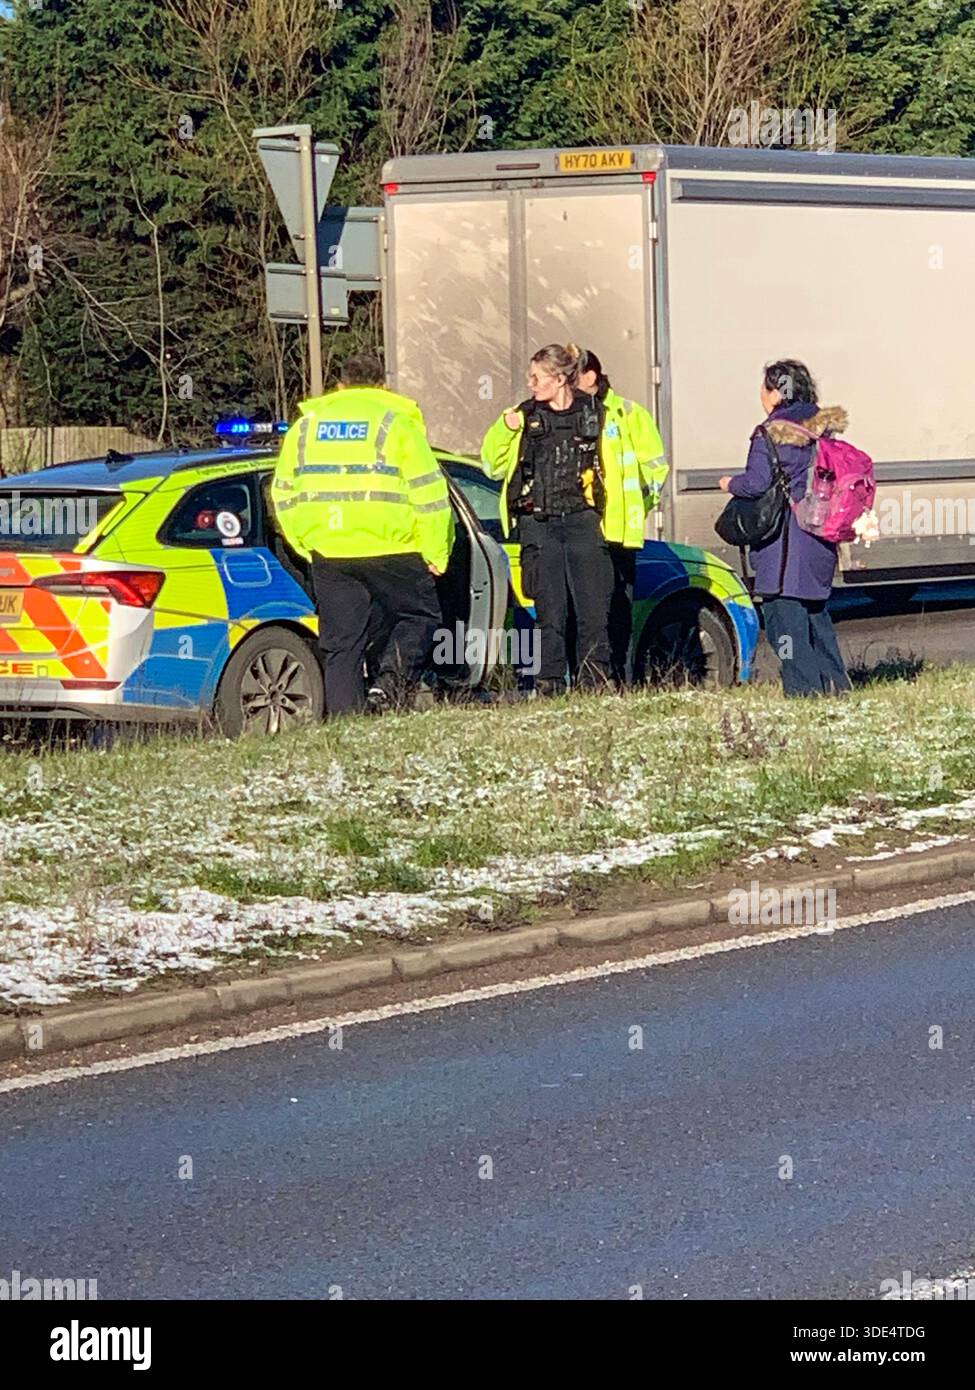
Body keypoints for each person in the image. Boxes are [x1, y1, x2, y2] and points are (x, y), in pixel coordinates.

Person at [271, 353, 454, 715]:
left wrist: (306, 543)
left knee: (342, 645)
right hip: (394, 545)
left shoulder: (305, 428)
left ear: (340, 386)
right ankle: (387, 687)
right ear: (381, 386)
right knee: (420, 618)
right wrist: (437, 551)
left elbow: (283, 493)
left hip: (331, 550)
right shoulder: (396, 423)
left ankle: (345, 722)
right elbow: (431, 495)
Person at [719, 359, 851, 697]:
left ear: (776, 391)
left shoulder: (770, 433)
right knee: (816, 619)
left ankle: (802, 689)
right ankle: (836, 687)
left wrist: (729, 483)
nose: (761, 396)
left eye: (765, 388)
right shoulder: (822, 428)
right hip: (819, 538)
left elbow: (756, 483)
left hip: (784, 547)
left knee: (784, 630)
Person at [575, 346, 668, 683]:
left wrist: (636, 508)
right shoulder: (567, 413)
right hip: (580, 528)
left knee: (617, 611)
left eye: (572, 378)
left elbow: (655, 469)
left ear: (590, 377)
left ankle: (618, 679)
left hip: (618, 533)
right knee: (587, 612)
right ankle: (590, 678)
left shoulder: (628, 414)